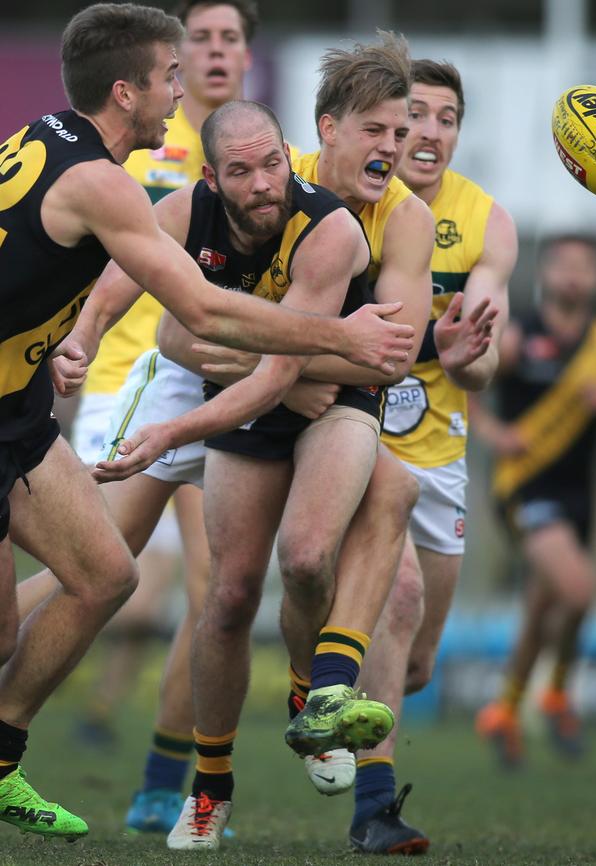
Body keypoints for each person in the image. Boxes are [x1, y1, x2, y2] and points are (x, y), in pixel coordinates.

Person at [0, 2, 413, 840]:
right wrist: (342, 335)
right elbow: (199, 313)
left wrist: (70, 339)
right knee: (23, 623)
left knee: (109, 575)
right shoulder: (107, 183)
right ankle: (190, 783)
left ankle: (3, 755)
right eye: (168, 79)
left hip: (22, 409)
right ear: (126, 91)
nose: (177, 93)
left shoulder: (42, 135)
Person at [138, 35, 496, 851]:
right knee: (224, 599)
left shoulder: (404, 218)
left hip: (352, 406)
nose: (395, 149)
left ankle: (326, 711)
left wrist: (290, 356)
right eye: (378, 131)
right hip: (256, 399)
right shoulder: (268, 180)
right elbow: (182, 331)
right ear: (326, 130)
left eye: (403, 133)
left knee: (326, 568)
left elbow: (396, 352)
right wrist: (298, 361)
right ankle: (210, 789)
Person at [65, 0, 257, 830]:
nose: (212, 53)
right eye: (198, 41)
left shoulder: (263, 154)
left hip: (216, 386)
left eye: (228, 39)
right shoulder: (145, 136)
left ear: (248, 55)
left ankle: (163, 776)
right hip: (128, 379)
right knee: (103, 577)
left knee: (222, 590)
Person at [473, 234, 596, 767]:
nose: (574, 276)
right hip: (524, 487)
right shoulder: (521, 335)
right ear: (545, 273)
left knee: (543, 605)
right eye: (564, 266)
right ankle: (555, 695)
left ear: (595, 278)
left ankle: (502, 711)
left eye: (584, 267)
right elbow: (467, 387)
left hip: (579, 493)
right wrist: (495, 435)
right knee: (577, 591)